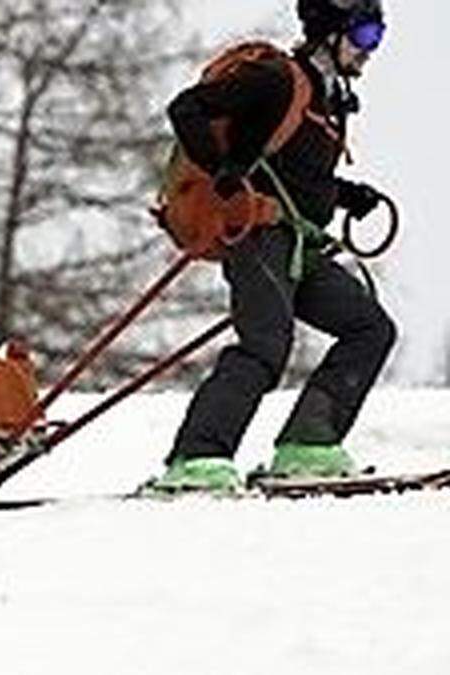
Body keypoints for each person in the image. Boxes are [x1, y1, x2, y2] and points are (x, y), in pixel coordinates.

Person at [151, 0, 396, 492]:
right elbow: (187, 108)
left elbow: (299, 175)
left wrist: (349, 195)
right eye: (366, 35)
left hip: (300, 247)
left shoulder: (327, 101)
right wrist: (222, 169)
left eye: (378, 37)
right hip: (259, 235)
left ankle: (309, 444)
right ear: (331, 33)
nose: (372, 50)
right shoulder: (277, 79)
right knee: (266, 343)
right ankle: (196, 458)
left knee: (369, 328)